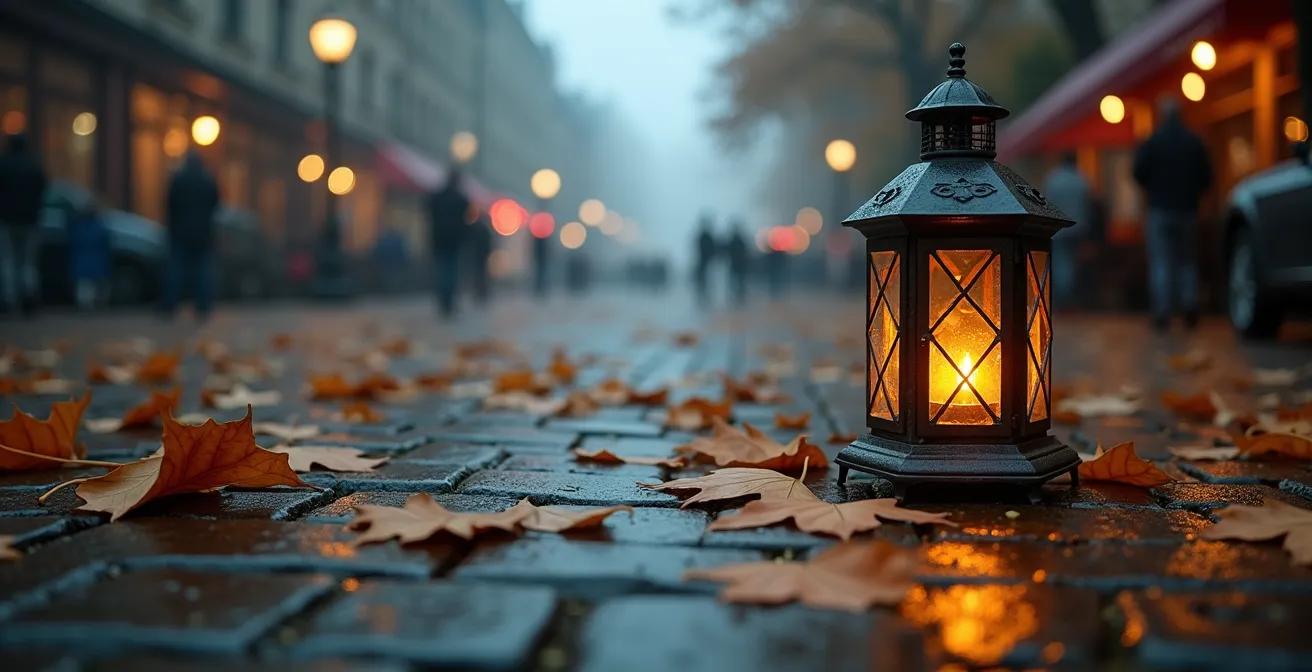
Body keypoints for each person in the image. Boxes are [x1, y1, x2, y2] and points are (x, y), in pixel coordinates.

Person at [1133, 97, 1213, 331]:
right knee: (1187, 260)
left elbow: (1138, 172)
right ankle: (1189, 304)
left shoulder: (1153, 142)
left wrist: (1153, 189)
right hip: (1187, 209)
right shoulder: (1193, 142)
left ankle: (1163, 310)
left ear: (1162, 115)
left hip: (1159, 209)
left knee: (1161, 261)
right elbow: (1207, 176)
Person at [161, 150, 220, 320]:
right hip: (202, 232)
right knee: (203, 269)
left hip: (180, 231)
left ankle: (170, 304)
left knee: (176, 268)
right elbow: (215, 203)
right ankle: (203, 305)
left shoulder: (179, 179)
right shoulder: (207, 180)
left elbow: (169, 203)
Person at [0, 133, 49, 316]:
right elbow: (43, 190)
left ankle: (9, 298)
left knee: (8, 259)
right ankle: (28, 296)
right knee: (28, 261)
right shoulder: (33, 166)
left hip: (6, 219)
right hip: (30, 220)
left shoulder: (4, 164)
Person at [1043, 152, 1094, 311]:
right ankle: (1070, 297)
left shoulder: (1054, 179)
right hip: (1078, 228)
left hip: (1058, 228)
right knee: (1072, 263)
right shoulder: (1081, 180)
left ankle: (1062, 298)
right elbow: (1087, 206)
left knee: (1060, 262)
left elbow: (1047, 203)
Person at [427, 168, 469, 317]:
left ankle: (443, 300)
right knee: (451, 270)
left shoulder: (438, 197)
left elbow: (431, 215)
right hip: (454, 241)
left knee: (442, 269)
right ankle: (448, 301)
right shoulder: (461, 200)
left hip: (440, 239)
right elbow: (466, 222)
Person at [69, 195, 111, 309]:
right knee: (91, 286)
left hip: (83, 263)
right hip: (95, 264)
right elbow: (106, 244)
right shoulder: (99, 227)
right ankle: (91, 304)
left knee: (85, 287)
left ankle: (85, 304)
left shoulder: (79, 227)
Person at [371, 225, 408, 294]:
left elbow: (379, 252)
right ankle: (397, 291)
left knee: (389, 278)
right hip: (397, 264)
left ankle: (390, 291)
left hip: (387, 263)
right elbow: (402, 252)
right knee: (396, 278)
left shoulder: (385, 241)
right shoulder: (398, 241)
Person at [467, 208, 493, 305]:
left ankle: (478, 292)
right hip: (482, 255)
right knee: (482, 274)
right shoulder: (486, 228)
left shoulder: (474, 227)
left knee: (477, 274)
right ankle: (482, 292)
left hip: (476, 255)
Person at [723, 220, 749, 306]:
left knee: (737, 281)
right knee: (739, 281)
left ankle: (738, 296)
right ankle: (739, 296)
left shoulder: (733, 241)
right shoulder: (740, 241)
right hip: (739, 264)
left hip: (736, 264)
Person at [693, 214, 716, 306]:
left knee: (705, 281)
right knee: (704, 281)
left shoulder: (703, 237)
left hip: (706, 262)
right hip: (705, 262)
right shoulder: (705, 237)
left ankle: (704, 296)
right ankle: (704, 296)